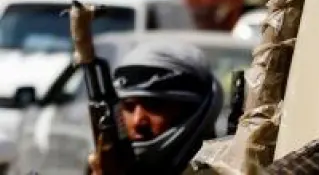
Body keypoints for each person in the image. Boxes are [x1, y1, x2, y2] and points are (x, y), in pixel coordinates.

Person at [91, 40, 224, 175]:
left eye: (153, 106)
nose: (138, 121)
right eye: (129, 106)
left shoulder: (219, 170)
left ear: (190, 110)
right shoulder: (112, 165)